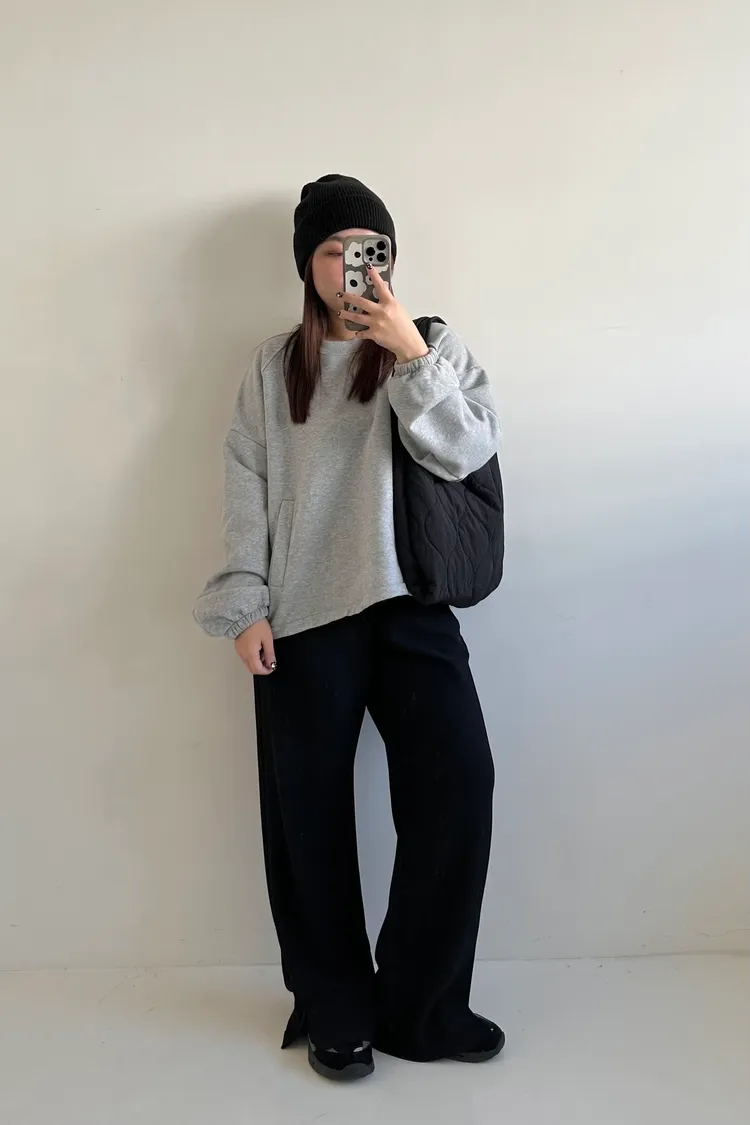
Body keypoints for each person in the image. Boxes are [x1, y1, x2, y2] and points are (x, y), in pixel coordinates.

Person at [194, 174, 504, 1081]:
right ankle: (336, 1007)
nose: (351, 266)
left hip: (412, 605)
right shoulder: (271, 365)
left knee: (459, 785)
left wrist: (409, 354)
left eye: (370, 249)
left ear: (391, 260)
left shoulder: (432, 344)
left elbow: (468, 451)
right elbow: (245, 481)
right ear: (308, 265)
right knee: (309, 818)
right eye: (333, 251)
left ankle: (423, 1005)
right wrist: (245, 601)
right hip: (302, 616)